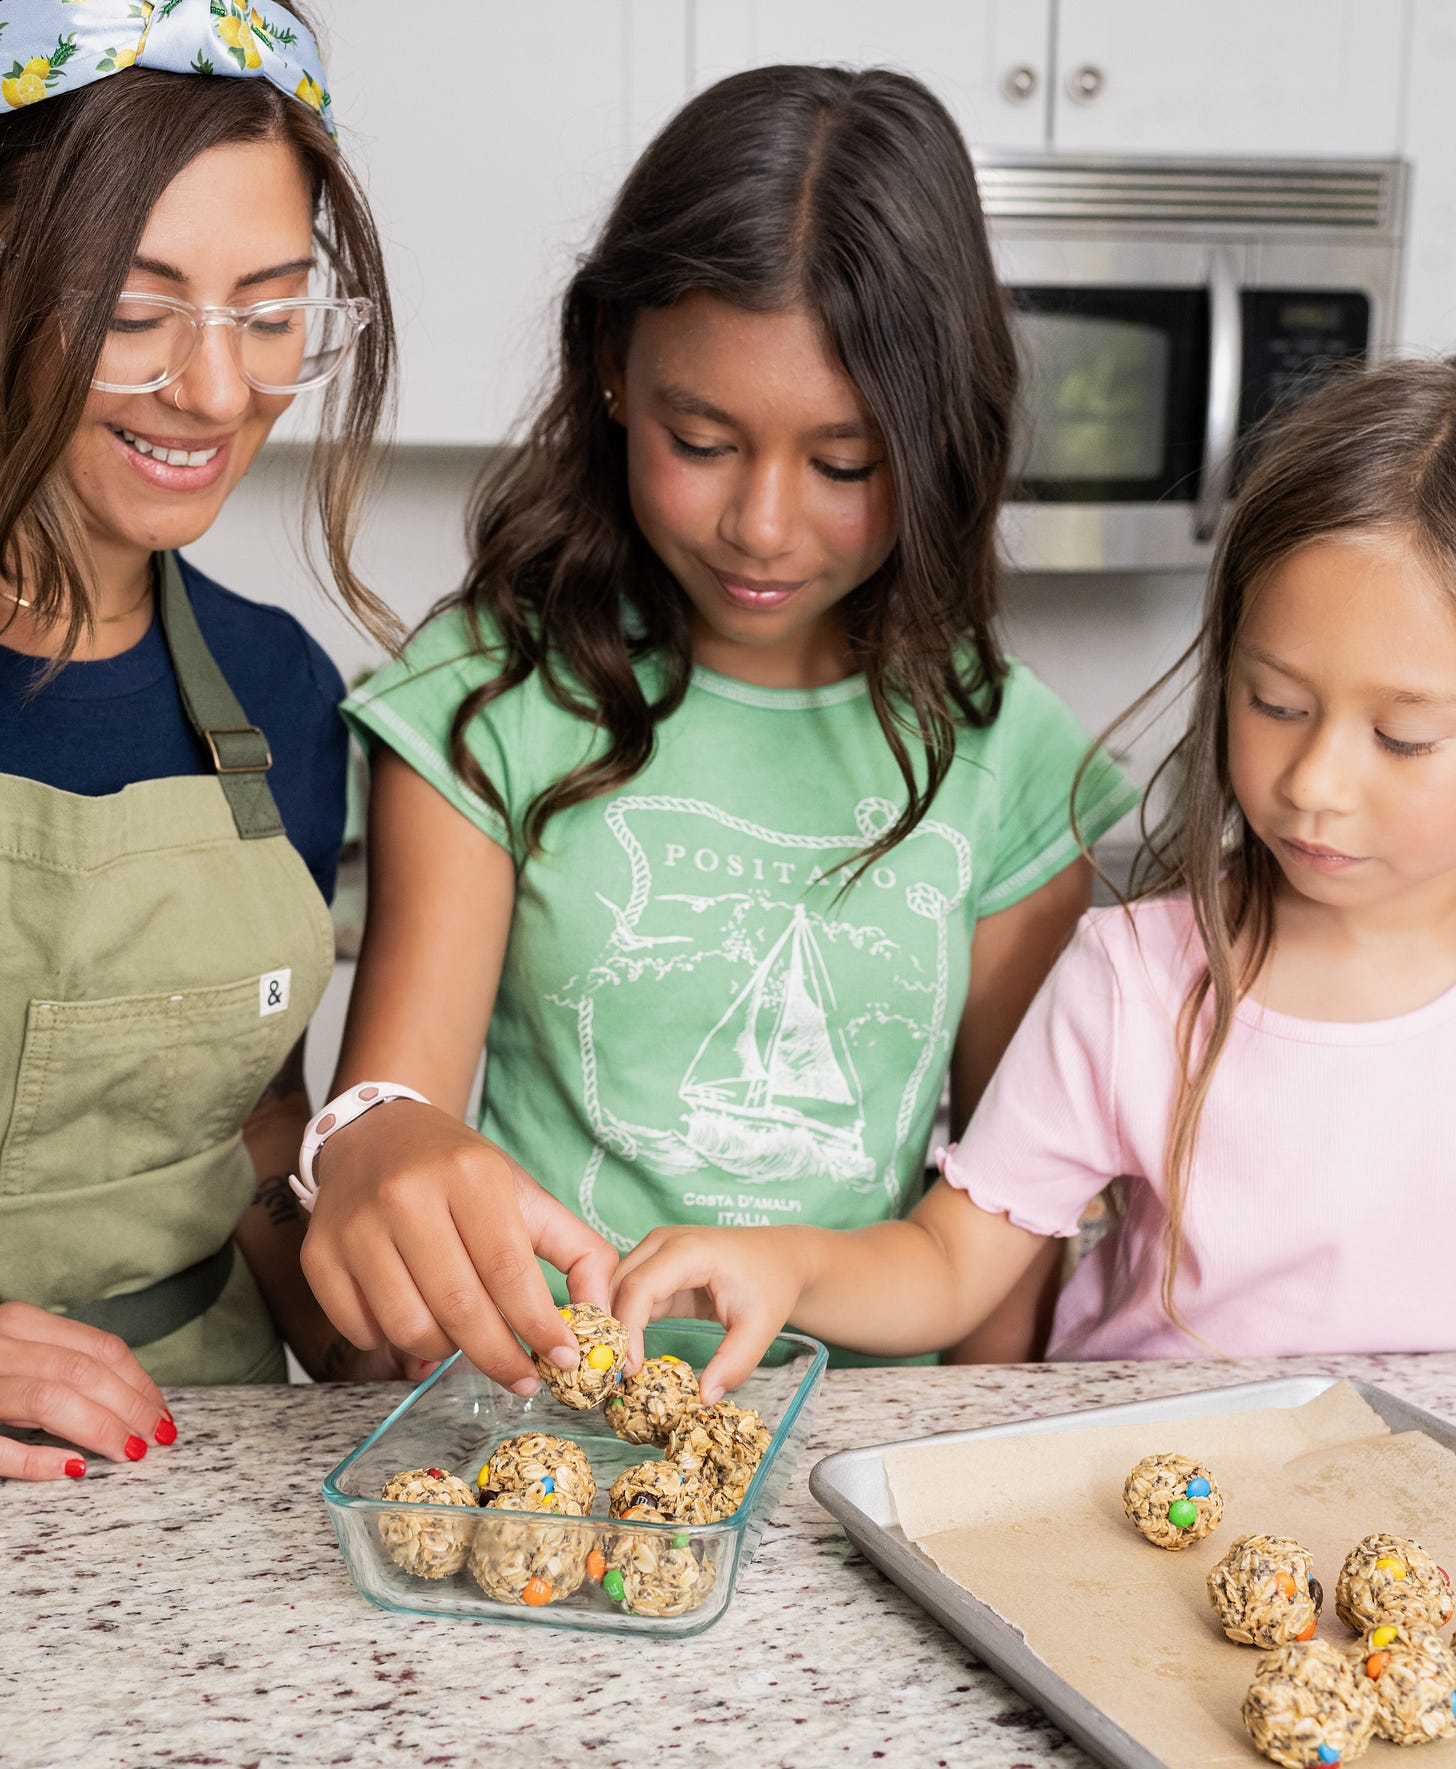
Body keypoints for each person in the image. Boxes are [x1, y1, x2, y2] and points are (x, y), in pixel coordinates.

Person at [300, 64, 1136, 1391]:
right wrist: (370, 1168)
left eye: (848, 465)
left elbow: (1006, 1223)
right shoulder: (489, 703)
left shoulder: (1015, 760)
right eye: (702, 439)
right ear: (614, 373)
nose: (762, 525)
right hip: (537, 1424)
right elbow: (385, 1125)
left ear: (938, 443)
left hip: (858, 1451)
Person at [607, 357, 1456, 1398]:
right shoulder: (1135, 978)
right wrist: (782, 1263)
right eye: (1274, 702)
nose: (1315, 781)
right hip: (1136, 1486)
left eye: (1402, 735)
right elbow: (952, 1262)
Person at [0, 0, 402, 1484]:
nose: (219, 390)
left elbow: (245, 1141)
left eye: (269, 308)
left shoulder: (280, 692)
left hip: (205, 1467)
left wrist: (385, 1321)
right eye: (134, 309)